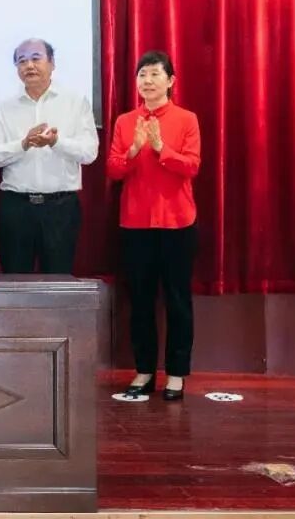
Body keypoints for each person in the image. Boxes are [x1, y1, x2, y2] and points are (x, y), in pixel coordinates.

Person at [107, 50, 200, 401]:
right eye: (142, 75)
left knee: (178, 302)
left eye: (154, 74)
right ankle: (144, 371)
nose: (147, 81)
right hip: (136, 223)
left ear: (171, 81)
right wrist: (134, 149)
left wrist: (162, 148)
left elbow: (191, 167)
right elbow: (114, 169)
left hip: (177, 223)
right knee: (141, 302)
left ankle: (176, 374)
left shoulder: (186, 119)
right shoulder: (125, 121)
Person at [0, 39, 98, 274]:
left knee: (58, 279)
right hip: (16, 208)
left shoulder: (75, 102)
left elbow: (89, 152)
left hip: (60, 208)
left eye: (36, 58)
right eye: (22, 61)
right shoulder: (3, 108)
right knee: (15, 280)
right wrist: (23, 144)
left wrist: (56, 142)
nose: (29, 65)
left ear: (52, 63)